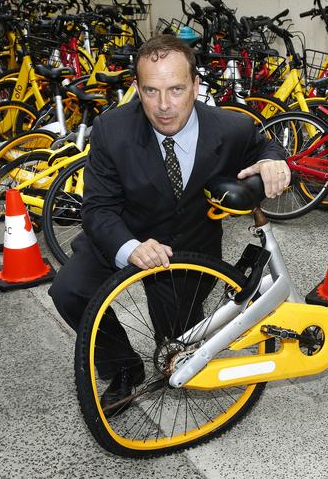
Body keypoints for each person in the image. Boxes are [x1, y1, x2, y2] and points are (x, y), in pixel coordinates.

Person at [49, 34, 290, 415]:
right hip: (123, 232)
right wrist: (131, 248)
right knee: (69, 290)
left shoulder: (229, 128)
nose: (164, 105)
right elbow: (97, 208)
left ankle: (169, 341)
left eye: (176, 89)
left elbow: (265, 145)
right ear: (137, 88)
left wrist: (276, 160)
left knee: (175, 350)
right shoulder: (112, 130)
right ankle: (122, 367)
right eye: (151, 91)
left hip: (188, 250)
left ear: (196, 85)